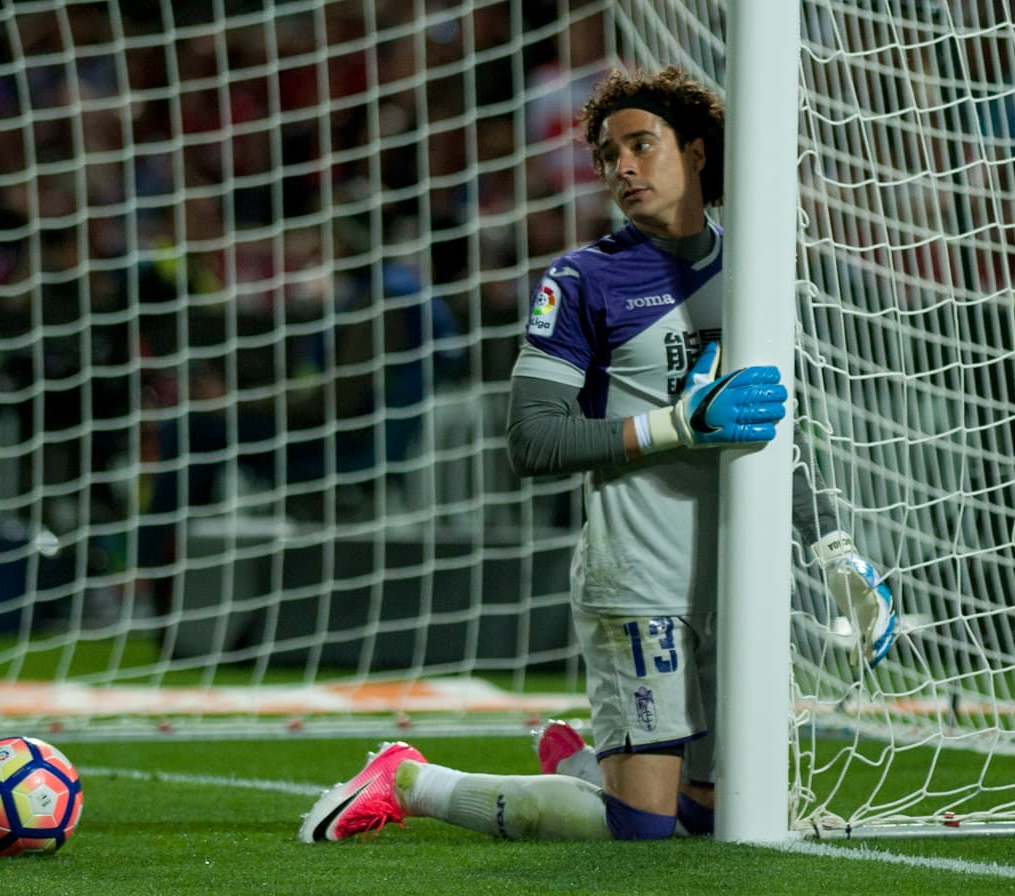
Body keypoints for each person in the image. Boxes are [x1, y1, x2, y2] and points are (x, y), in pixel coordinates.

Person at [298, 65, 896, 844]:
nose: (622, 167)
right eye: (610, 153)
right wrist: (675, 426)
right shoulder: (586, 280)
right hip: (638, 581)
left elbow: (776, 429)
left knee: (720, 819)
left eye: (641, 145)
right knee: (638, 834)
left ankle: (584, 766)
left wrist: (834, 549)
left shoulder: (755, 275)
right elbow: (533, 438)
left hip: (737, 586)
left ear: (697, 152)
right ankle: (413, 780)